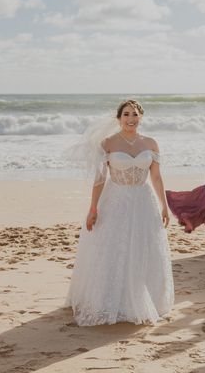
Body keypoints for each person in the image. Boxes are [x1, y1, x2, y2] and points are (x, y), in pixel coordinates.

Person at [66, 99, 174, 326]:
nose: (130, 119)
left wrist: (164, 205)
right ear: (118, 118)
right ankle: (110, 299)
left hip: (144, 200)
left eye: (134, 114)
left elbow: (156, 177)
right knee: (114, 247)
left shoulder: (151, 143)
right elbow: (99, 179)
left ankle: (143, 298)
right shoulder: (107, 143)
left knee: (143, 247)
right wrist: (93, 208)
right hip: (116, 200)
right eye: (126, 114)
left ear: (141, 117)